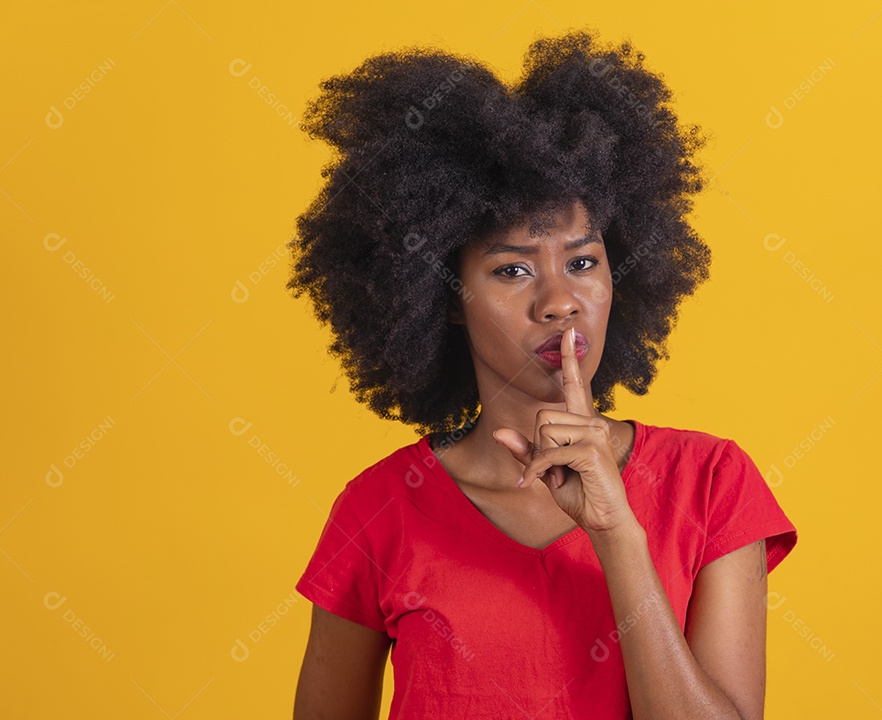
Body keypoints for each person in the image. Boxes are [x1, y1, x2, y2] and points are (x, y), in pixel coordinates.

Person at [287, 27, 798, 720]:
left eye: (583, 261)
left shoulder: (710, 483)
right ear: (445, 299)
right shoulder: (380, 510)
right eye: (512, 269)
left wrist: (617, 533)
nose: (561, 301)